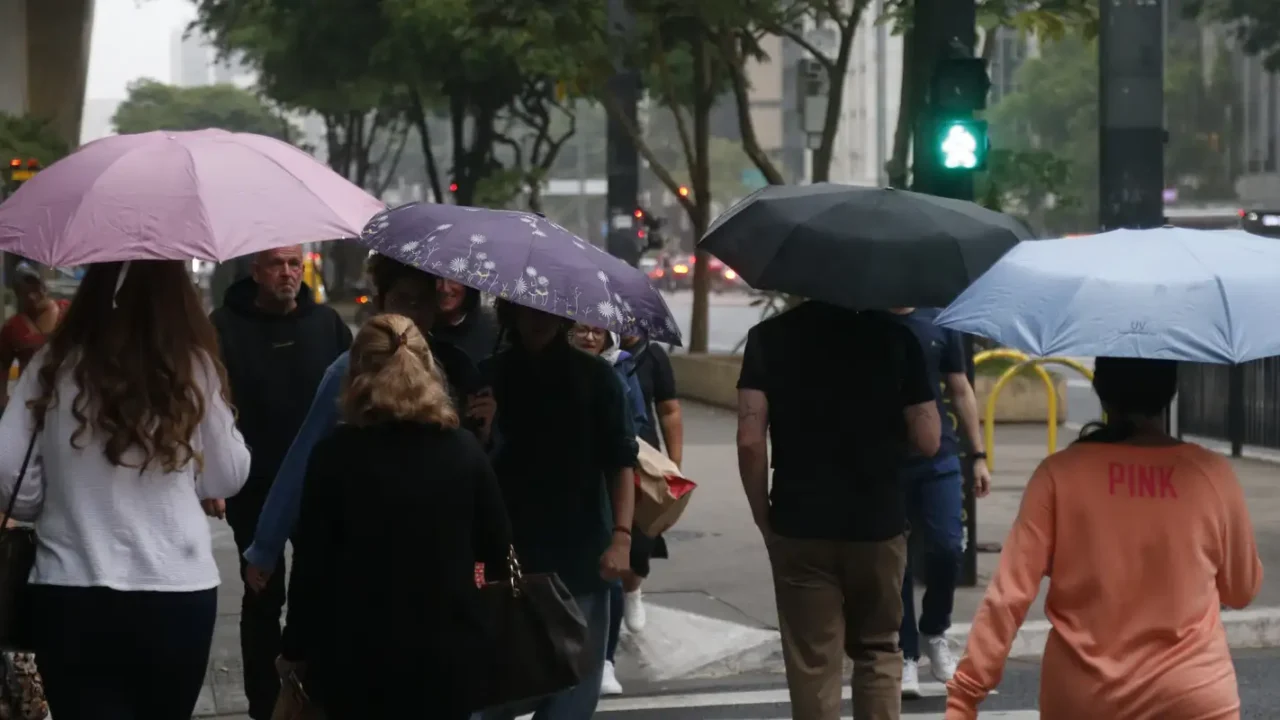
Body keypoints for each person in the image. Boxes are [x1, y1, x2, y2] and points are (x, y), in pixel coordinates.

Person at [945, 357, 1263, 720]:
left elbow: (1008, 597)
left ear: (1101, 389)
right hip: (1193, 693)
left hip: (1086, 697)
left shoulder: (1059, 475)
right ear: (1171, 391)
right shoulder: (1212, 474)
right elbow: (1242, 590)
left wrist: (966, 696)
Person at [0, 260, 250, 718]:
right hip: (176, 592)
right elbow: (229, 473)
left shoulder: (54, 363)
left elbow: (7, 469)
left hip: (70, 589)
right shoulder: (192, 365)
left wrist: (45, 500)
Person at [280, 314, 510, 719]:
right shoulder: (463, 451)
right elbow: (497, 548)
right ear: (428, 370)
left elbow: (311, 569)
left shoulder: (335, 456)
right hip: (447, 655)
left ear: (356, 374)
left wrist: (295, 651)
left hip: (355, 657)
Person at [736, 301, 940, 720]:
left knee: (814, 659)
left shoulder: (768, 338)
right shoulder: (898, 338)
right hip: (877, 523)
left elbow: (750, 441)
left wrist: (763, 517)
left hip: (798, 521)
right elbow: (929, 439)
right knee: (879, 648)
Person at [242, 253, 493, 593]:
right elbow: (304, 456)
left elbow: (479, 463)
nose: (413, 314)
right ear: (381, 303)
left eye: (423, 302)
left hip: (440, 545)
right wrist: (266, 545)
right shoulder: (350, 370)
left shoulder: (454, 367)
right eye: (403, 301)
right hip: (367, 544)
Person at [209, 245, 352, 720]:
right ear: (255, 271)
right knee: (261, 595)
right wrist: (208, 474)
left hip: (322, 482)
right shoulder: (223, 327)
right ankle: (263, 704)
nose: (288, 273)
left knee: (321, 592)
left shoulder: (327, 324)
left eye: (294, 263)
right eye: (277, 264)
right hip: (253, 482)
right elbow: (208, 405)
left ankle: (316, 696)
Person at [478, 302, 636, 720]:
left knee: (574, 690)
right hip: (506, 555)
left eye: (548, 308)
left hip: (580, 552)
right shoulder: (488, 376)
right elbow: (467, 469)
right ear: (510, 313)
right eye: (527, 308)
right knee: (496, 689)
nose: (538, 317)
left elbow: (620, 462)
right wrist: (482, 430)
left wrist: (622, 537)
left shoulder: (596, 379)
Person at [887, 307, 992, 696]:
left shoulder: (942, 323)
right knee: (896, 559)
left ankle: (935, 629)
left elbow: (960, 388)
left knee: (948, 548)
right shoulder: (872, 322)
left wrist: (978, 455)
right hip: (889, 459)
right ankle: (907, 653)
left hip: (940, 456)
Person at [569, 324, 647, 696]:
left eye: (596, 331)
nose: (588, 337)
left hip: (604, 488)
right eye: (579, 330)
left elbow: (636, 425)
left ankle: (605, 660)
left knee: (608, 578)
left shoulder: (618, 371)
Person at [617, 332, 682, 633]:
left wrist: (674, 466)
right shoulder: (597, 355)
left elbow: (669, 411)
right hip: (606, 458)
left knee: (641, 537)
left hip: (646, 461)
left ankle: (632, 589)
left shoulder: (653, 355)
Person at [0, 263, 69, 407]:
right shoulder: (12, 327)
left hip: (64, 395)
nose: (31, 297)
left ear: (44, 287)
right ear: (17, 295)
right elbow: (2, 365)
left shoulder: (67, 312)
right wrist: (3, 397)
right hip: (28, 400)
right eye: (24, 293)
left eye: (35, 290)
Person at [434, 279, 501, 362]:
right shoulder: (419, 324)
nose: (445, 289)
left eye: (454, 279)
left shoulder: (493, 328)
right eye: (438, 278)